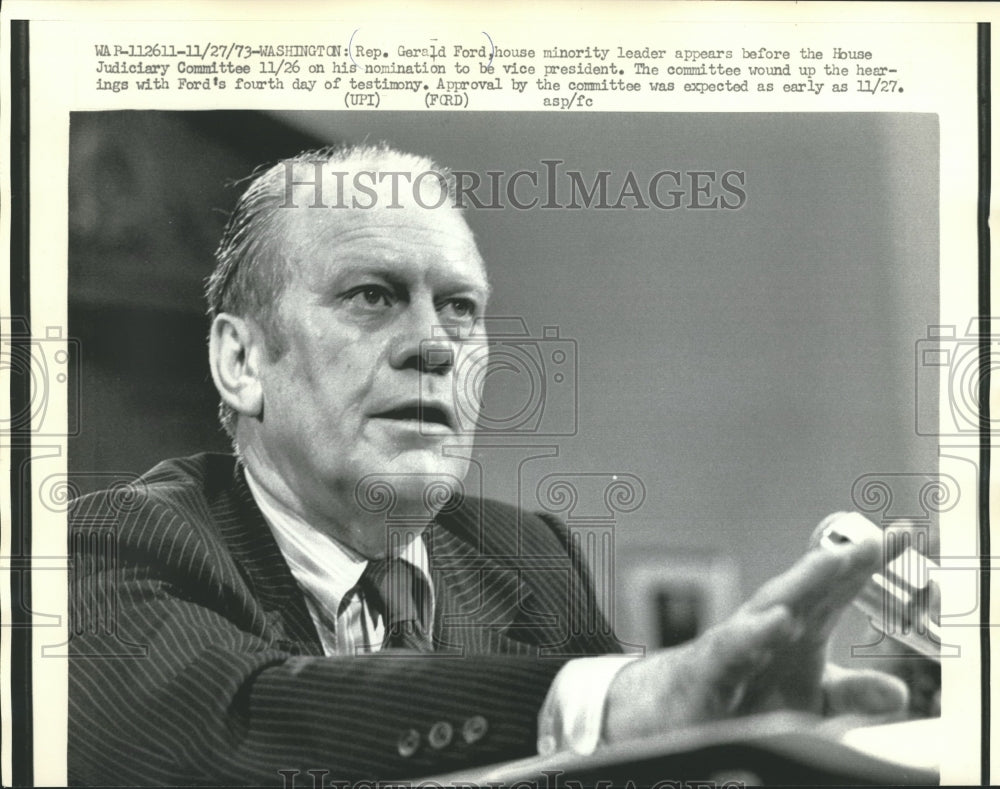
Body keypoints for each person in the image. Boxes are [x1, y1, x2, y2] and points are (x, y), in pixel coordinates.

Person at [67, 143, 908, 786]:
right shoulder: (110, 544)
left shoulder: (528, 558)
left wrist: (754, 749)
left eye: (461, 309)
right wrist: (621, 701)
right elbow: (245, 719)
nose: (435, 345)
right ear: (243, 361)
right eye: (372, 294)